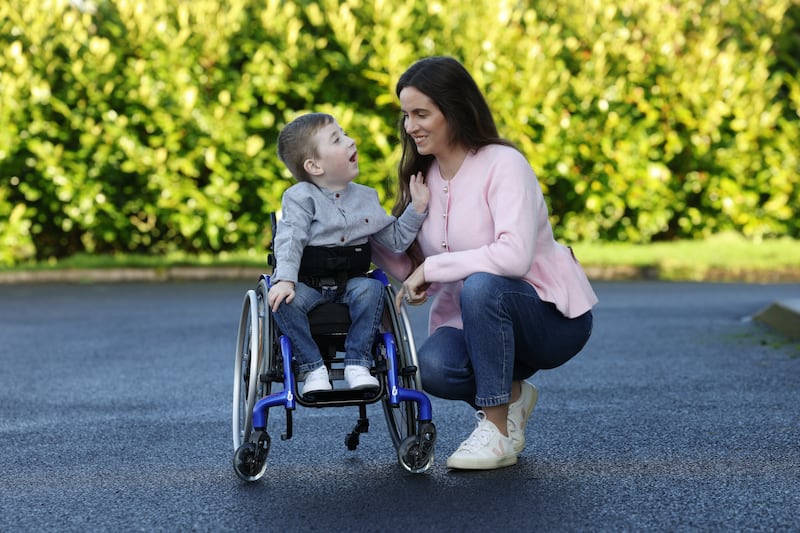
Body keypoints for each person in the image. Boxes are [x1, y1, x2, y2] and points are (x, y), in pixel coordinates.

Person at [372, 56, 598, 470]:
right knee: (433, 368)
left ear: (454, 110)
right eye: (406, 115)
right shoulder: (422, 179)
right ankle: (512, 394)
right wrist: (354, 225)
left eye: (421, 114)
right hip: (474, 325)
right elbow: (410, 268)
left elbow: (512, 257)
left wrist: (434, 270)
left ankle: (496, 430)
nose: (410, 127)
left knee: (482, 285)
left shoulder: (503, 164)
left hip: (549, 318)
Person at [269, 112, 429, 395]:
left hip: (351, 283)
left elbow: (395, 240)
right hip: (308, 285)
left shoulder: (366, 197)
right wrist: (285, 279)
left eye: (344, 134)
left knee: (373, 289)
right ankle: (312, 368)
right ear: (314, 165)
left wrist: (416, 209)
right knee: (281, 300)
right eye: (337, 139)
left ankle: (358, 362)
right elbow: (290, 239)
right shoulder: (300, 198)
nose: (350, 141)